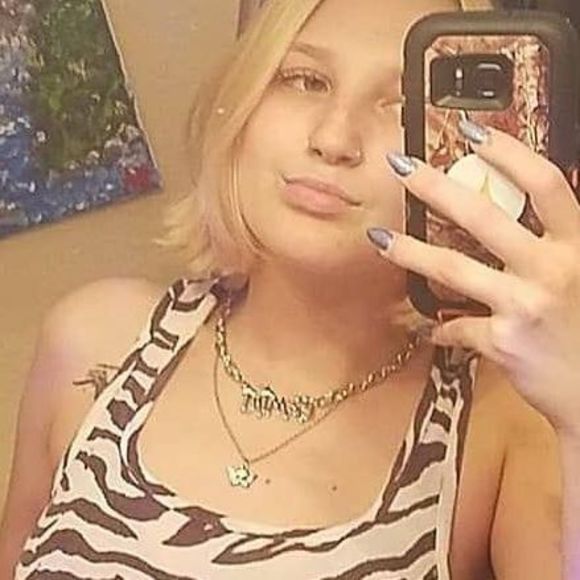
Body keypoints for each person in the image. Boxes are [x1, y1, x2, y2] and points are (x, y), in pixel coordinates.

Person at [1, 0, 579, 577]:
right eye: (305, 79)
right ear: (244, 100)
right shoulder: (92, 342)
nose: (334, 137)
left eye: (402, 103)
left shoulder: (505, 418)